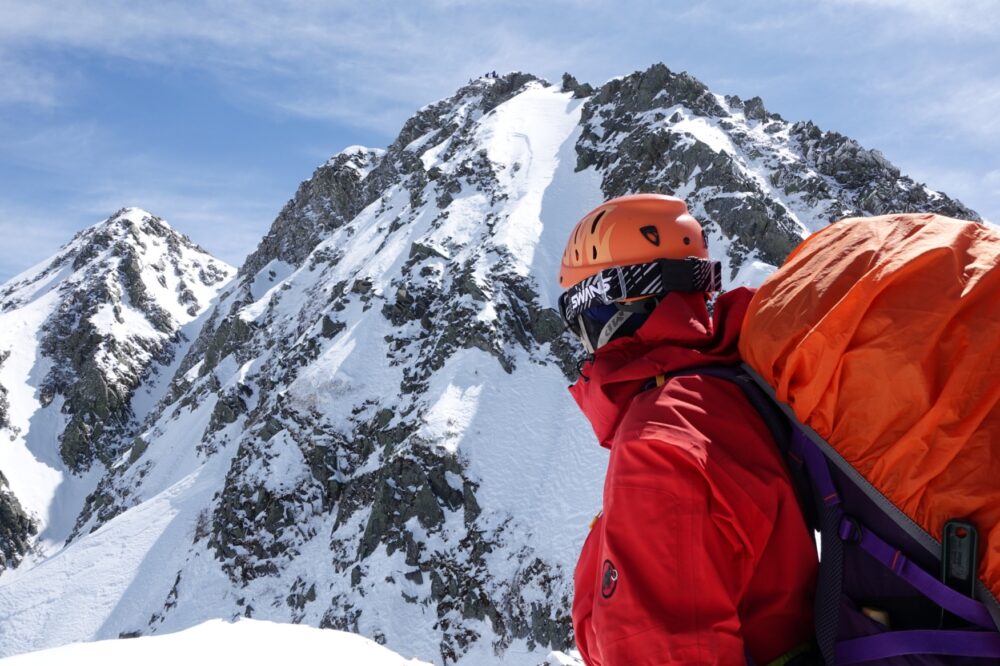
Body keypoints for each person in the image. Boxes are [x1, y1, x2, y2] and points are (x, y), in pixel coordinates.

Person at [557, 193, 819, 665]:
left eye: (585, 316)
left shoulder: (660, 441)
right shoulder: (736, 392)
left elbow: (662, 649)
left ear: (616, 304)